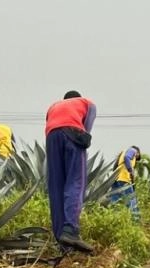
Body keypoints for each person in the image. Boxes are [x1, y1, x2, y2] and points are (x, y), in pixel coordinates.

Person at [44, 90, 96, 253]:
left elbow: (50, 126)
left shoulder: (53, 106)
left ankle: (62, 242)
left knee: (56, 188)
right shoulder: (87, 103)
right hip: (72, 134)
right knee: (75, 182)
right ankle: (70, 230)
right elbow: (85, 130)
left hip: (52, 137)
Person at [109, 146, 142, 222]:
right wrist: (131, 170)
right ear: (138, 152)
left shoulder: (122, 153)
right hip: (124, 179)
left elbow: (115, 167)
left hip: (116, 178)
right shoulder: (132, 150)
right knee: (131, 199)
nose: (135, 158)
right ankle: (136, 220)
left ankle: (112, 218)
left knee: (114, 200)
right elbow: (127, 157)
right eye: (137, 157)